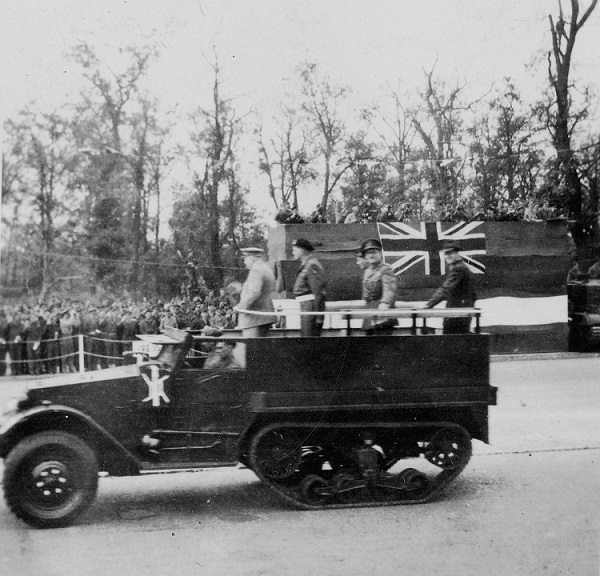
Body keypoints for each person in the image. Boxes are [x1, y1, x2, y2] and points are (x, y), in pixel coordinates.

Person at [424, 242, 477, 334]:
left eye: (450, 253)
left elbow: (445, 289)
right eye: (446, 254)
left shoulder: (458, 269)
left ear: (457, 254)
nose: (447, 256)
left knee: (450, 340)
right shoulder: (460, 267)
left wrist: (428, 304)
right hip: (462, 311)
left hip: (457, 313)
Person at [235, 247, 277, 337]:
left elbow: (253, 293)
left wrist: (240, 307)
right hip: (264, 317)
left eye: (245, 258)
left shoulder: (256, 270)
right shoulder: (266, 268)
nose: (244, 261)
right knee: (260, 348)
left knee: (252, 348)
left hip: (254, 319)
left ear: (252, 257)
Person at [359, 238, 398, 334]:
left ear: (380, 254)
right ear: (365, 256)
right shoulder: (367, 270)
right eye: (368, 253)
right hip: (370, 311)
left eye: (374, 252)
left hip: (382, 313)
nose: (371, 255)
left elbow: (389, 289)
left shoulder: (386, 269)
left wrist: (385, 303)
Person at [292, 238, 327, 337]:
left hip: (310, 308)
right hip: (306, 307)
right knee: (306, 337)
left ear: (301, 250)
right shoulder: (307, 264)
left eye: (294, 249)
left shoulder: (311, 265)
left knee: (309, 339)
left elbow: (318, 292)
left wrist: (318, 316)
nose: (293, 252)